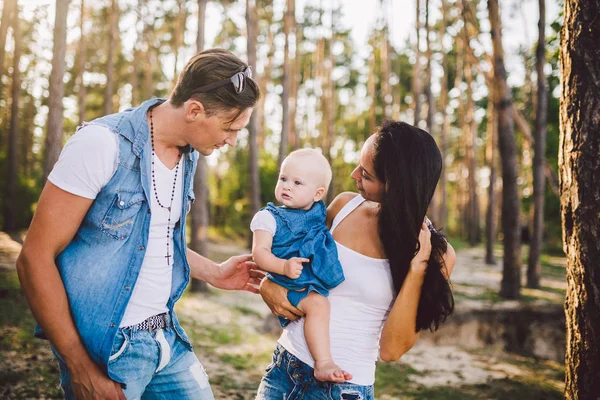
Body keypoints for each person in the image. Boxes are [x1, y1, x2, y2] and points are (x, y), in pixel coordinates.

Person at [16, 48, 261, 400]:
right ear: (194, 110)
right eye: (229, 127)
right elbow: (34, 257)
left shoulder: (187, 154)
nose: (232, 140)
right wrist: (79, 367)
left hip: (165, 338)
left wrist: (214, 273)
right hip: (112, 350)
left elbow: (147, 238)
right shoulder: (101, 144)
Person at [256, 120, 457, 400]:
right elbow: (288, 255)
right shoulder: (342, 207)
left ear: (395, 186)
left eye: (366, 174)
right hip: (284, 369)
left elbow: (391, 350)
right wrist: (268, 285)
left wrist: (418, 267)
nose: (353, 175)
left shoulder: (438, 255)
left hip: (343, 389)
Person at [250, 149, 352, 383]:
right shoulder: (268, 217)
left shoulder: (319, 213)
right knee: (319, 305)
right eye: (283, 178)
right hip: (288, 279)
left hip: (305, 276)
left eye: (297, 182)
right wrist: (283, 266)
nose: (287, 186)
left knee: (320, 302)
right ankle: (323, 362)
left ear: (318, 194)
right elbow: (259, 253)